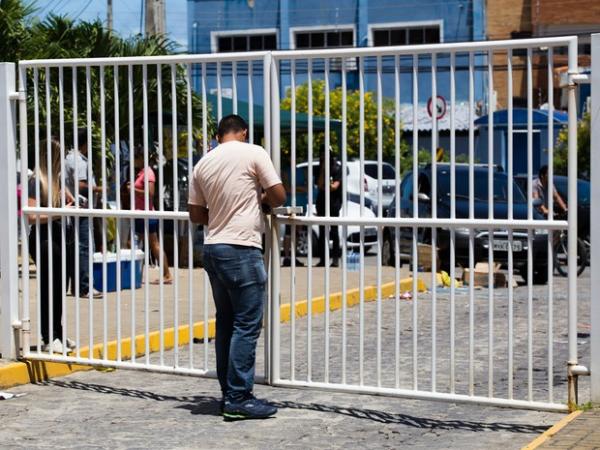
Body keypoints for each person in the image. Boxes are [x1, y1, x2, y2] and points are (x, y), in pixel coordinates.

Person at [188, 114, 286, 420]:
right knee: (247, 324)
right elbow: (279, 195)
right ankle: (239, 397)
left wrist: (220, 215)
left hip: (213, 248)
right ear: (243, 132)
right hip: (242, 248)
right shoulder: (254, 152)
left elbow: (195, 214)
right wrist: (261, 201)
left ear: (218, 135)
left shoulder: (203, 163)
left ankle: (228, 393)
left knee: (226, 323)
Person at [28, 139, 76, 353]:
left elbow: (69, 202)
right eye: (61, 156)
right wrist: (60, 212)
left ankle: (57, 332)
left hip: (57, 235)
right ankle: (49, 335)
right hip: (43, 238)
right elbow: (31, 216)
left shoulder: (54, 181)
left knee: (59, 285)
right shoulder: (36, 181)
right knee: (49, 286)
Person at [64, 128, 102, 298]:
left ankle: (76, 286)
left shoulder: (68, 158)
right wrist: (98, 188)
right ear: (85, 144)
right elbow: (80, 186)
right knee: (85, 248)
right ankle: (85, 287)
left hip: (73, 208)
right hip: (82, 207)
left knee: (76, 247)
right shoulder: (79, 161)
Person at [128, 146, 173, 284]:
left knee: (153, 245)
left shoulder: (148, 172)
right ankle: (135, 274)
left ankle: (166, 274)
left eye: (135, 158)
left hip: (146, 214)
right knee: (133, 243)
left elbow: (150, 193)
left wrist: (133, 189)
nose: (133, 161)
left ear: (141, 158)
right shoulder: (142, 172)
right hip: (140, 214)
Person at [315, 149, 343, 267]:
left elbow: (334, 187)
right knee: (322, 231)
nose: (323, 158)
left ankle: (335, 259)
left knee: (334, 231)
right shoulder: (319, 168)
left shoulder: (337, 168)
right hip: (322, 203)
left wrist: (328, 185)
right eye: (322, 157)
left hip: (334, 203)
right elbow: (319, 185)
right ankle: (323, 259)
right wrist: (322, 170)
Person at [281, 167, 305, 267]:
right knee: (288, 232)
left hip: (301, 205)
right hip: (290, 205)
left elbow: (307, 188)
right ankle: (287, 257)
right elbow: (287, 189)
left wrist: (294, 189)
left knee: (297, 233)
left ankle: (293, 257)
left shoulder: (303, 171)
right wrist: (300, 188)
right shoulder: (285, 172)